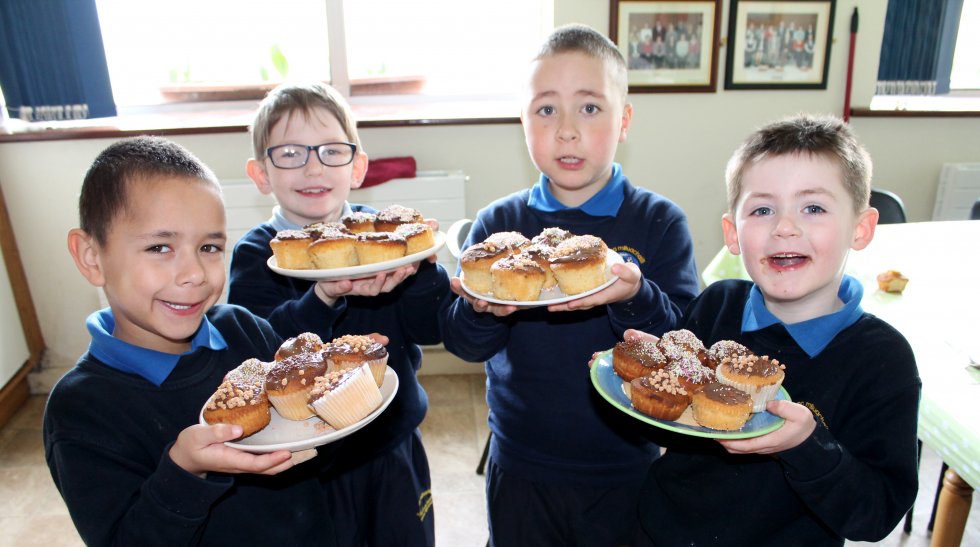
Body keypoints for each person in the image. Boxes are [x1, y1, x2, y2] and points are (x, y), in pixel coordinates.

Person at [440, 24, 700, 546]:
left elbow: (684, 344)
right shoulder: (499, 227)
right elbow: (465, 345)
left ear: (624, 120)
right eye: (545, 109)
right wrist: (481, 310)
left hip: (627, 463)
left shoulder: (659, 222)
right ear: (523, 123)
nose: (566, 130)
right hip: (521, 460)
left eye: (589, 107)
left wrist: (636, 296)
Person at [631, 114, 921, 546]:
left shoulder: (882, 361)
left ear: (860, 229)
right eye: (763, 209)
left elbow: (874, 515)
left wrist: (808, 445)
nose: (785, 227)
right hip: (662, 532)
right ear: (732, 233)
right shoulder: (716, 307)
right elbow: (670, 432)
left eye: (814, 207)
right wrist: (648, 388)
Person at [45, 136, 342, 545]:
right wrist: (184, 470)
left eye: (209, 247)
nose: (195, 274)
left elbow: (315, 451)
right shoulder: (81, 409)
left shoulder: (246, 330)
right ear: (92, 257)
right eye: (160, 247)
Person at [227, 81, 450, 546]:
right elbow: (260, 354)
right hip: (307, 470)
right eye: (289, 153)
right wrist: (322, 296)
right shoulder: (256, 254)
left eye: (331, 151)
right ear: (261, 173)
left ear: (357, 166)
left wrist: (422, 269)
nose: (312, 166)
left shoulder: (385, 239)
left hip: (391, 447)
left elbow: (432, 327)